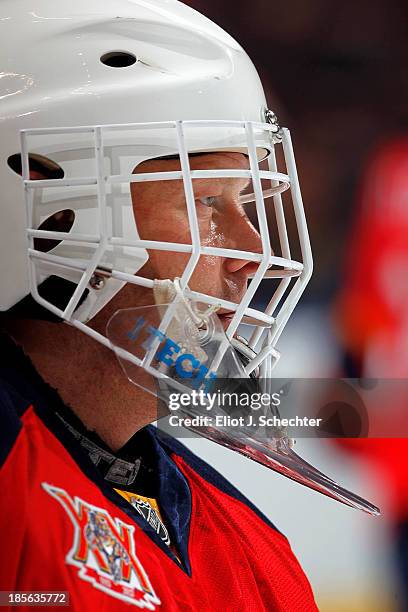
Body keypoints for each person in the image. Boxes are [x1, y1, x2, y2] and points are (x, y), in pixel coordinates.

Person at [0, 0, 320, 609]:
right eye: (204, 203)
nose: (252, 253)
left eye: (246, 203)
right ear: (48, 214)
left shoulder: (252, 554)